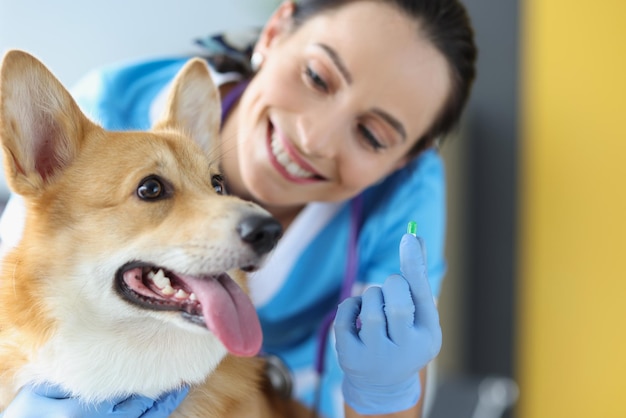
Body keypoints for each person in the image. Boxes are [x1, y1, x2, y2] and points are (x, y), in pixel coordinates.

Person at [0, 0, 477, 417]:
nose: (314, 138)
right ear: (274, 33)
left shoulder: (407, 198)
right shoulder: (106, 112)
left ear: (406, 158)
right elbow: (25, 293)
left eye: (372, 135)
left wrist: (384, 393)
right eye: (316, 77)